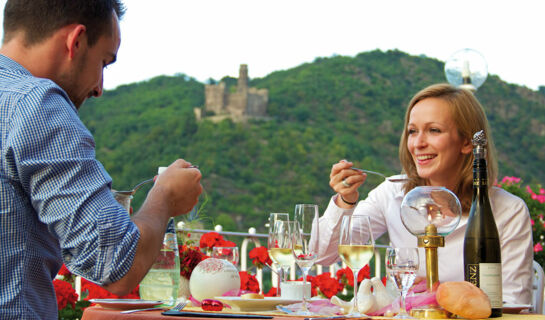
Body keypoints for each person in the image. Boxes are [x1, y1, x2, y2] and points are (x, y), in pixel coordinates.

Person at [0, 1, 202, 318]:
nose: (99, 88)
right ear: (76, 42)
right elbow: (117, 264)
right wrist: (164, 197)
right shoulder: (36, 104)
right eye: (104, 63)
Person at [315, 83, 533, 304]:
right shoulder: (392, 193)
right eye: (412, 131)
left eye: (434, 130)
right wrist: (345, 200)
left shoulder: (508, 211)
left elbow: (514, 303)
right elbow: (324, 255)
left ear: (467, 142)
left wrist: (436, 297)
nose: (418, 143)